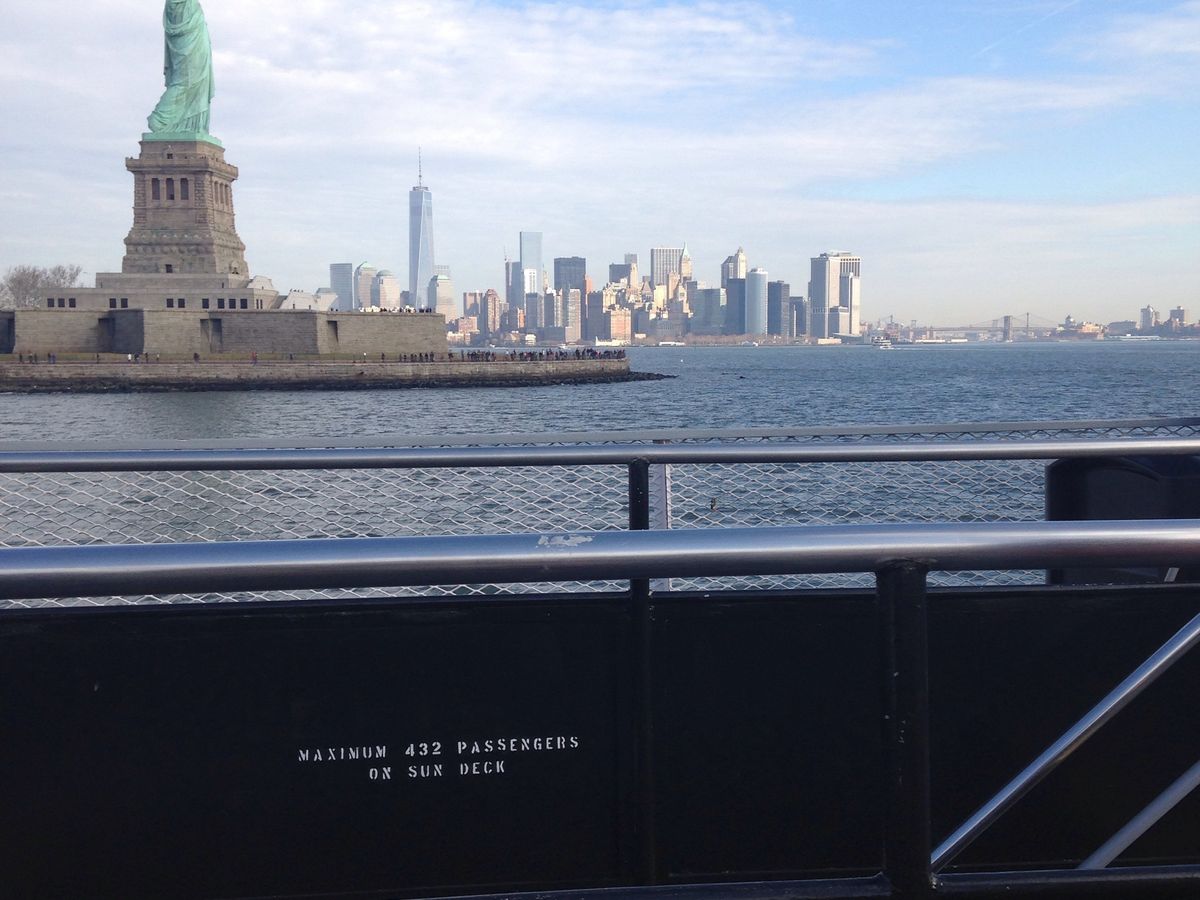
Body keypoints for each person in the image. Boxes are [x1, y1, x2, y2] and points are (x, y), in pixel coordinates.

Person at [146, 0, 214, 135]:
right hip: (187, 17)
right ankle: (159, 119)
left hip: (194, 23)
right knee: (185, 80)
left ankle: (191, 125)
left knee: (197, 80)